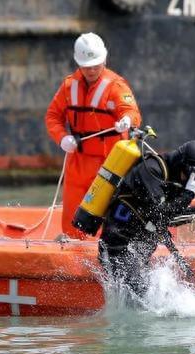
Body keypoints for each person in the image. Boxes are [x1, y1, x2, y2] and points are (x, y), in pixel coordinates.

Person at [45, 32, 142, 239]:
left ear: (104, 60)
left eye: (95, 65)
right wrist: (62, 138)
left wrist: (127, 120)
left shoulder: (115, 86)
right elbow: (53, 116)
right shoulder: (69, 86)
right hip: (78, 161)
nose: (91, 70)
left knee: (105, 215)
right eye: (86, 66)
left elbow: (132, 112)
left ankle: (104, 254)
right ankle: (72, 255)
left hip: (110, 163)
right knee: (72, 217)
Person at [98, 140, 195, 295]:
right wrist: (189, 194)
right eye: (190, 171)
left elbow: (163, 219)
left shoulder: (175, 180)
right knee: (140, 296)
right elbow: (160, 213)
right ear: (181, 163)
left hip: (139, 247)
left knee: (152, 293)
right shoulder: (152, 170)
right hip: (118, 243)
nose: (189, 178)